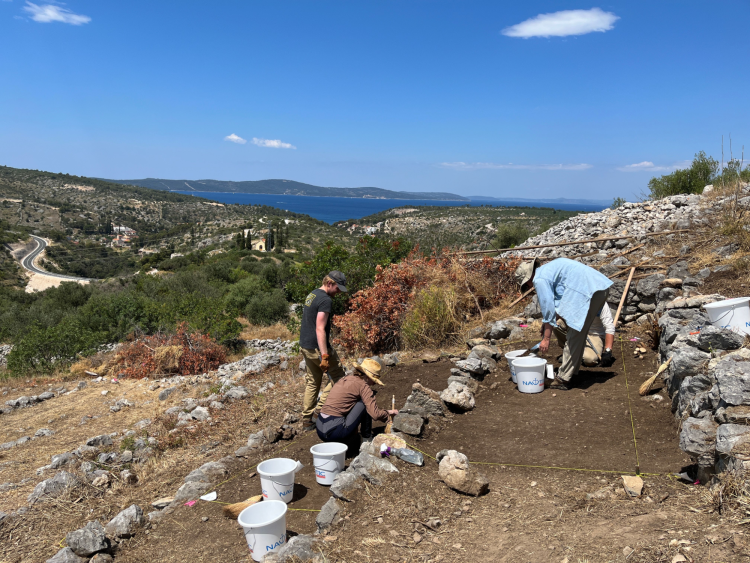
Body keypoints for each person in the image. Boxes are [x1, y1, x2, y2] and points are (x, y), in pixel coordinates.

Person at [515, 257, 613, 390]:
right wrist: (547, 323)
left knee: (574, 333)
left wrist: (546, 339)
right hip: (597, 287)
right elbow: (562, 306)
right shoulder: (549, 270)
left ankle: (563, 378)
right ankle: (571, 372)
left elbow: (548, 309)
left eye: (526, 285)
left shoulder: (539, 279)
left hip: (589, 291)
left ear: (528, 278)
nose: (529, 287)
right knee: (578, 333)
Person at [316, 358, 398, 454]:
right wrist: (388, 414)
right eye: (374, 380)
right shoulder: (363, 386)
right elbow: (375, 414)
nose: (375, 383)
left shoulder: (345, 379)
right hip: (333, 432)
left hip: (320, 428)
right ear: (367, 377)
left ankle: (350, 438)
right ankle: (366, 440)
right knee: (364, 403)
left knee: (353, 403)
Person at [300, 271, 348, 432]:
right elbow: (320, 328)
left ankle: (306, 420)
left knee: (313, 381)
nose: (339, 292)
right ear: (329, 283)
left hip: (305, 345)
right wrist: (325, 355)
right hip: (317, 347)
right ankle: (318, 413)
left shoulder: (312, 294)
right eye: (337, 288)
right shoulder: (325, 300)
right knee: (339, 378)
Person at [554, 302, 615, 367]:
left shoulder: (600, 303)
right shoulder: (574, 298)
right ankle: (570, 352)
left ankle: (576, 355)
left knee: (589, 360)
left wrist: (608, 351)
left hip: (594, 335)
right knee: (556, 324)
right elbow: (561, 313)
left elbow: (609, 327)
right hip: (577, 330)